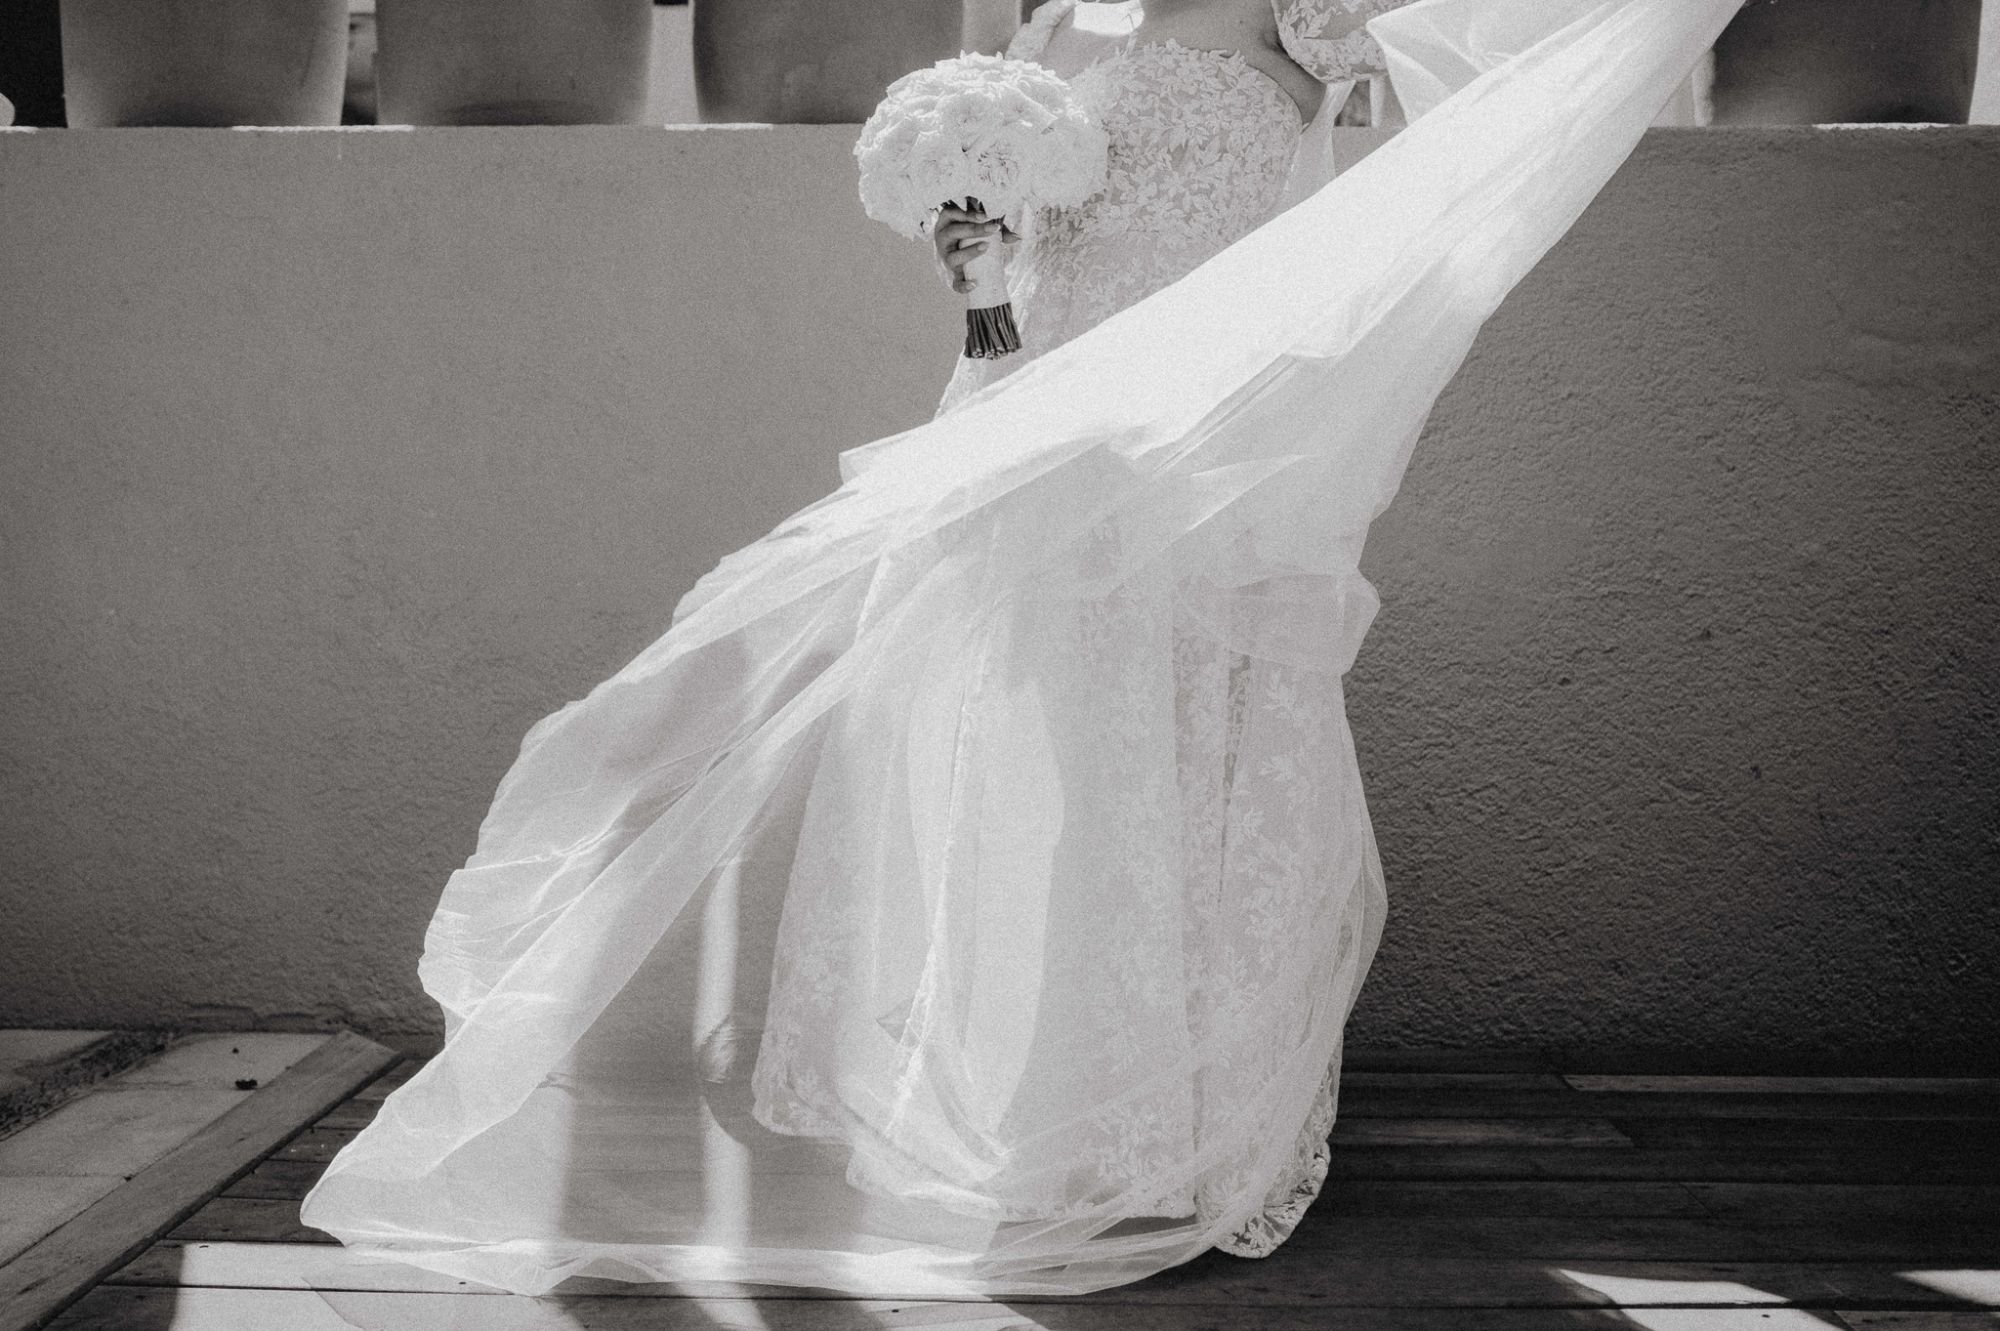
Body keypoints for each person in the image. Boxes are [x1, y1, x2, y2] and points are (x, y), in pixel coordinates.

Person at [300, 0, 1744, 1299]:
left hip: (1215, 449)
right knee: (1070, 794)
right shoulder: (1055, 35)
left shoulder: (1301, 22)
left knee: (1212, 764)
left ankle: (1194, 1136)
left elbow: (1456, 114)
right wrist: (977, 270)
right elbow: (1019, 301)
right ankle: (1075, 1135)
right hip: (1045, 439)